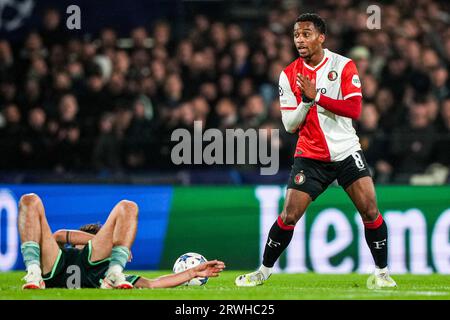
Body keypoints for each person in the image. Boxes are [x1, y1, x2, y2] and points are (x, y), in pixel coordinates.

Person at [235, 13, 396, 289]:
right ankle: (263, 271)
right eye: (296, 34)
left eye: (306, 34)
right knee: (288, 216)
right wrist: (306, 103)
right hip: (310, 156)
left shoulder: (343, 65)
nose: (300, 39)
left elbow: (355, 109)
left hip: (346, 151)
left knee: (370, 210)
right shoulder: (288, 75)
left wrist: (317, 96)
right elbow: (289, 125)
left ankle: (381, 273)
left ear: (321, 37)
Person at [18, 193, 225, 289]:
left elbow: (153, 284)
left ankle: (115, 272)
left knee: (128, 206)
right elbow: (59, 236)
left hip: (102, 274)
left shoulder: (101, 265)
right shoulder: (64, 254)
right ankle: (33, 274)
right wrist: (107, 242)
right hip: (53, 270)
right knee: (29, 200)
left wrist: (192, 272)